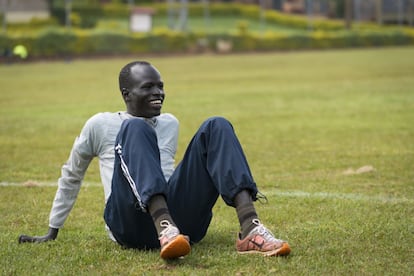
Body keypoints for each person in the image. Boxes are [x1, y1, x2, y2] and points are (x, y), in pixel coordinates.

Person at [18, 61, 291, 259]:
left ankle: (251, 229)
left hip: (183, 225)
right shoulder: (100, 124)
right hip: (129, 225)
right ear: (126, 94)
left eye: (160, 86)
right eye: (147, 87)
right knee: (136, 127)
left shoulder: (169, 123)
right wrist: (52, 230)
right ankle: (164, 227)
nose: (158, 93)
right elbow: (71, 175)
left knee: (216, 125)